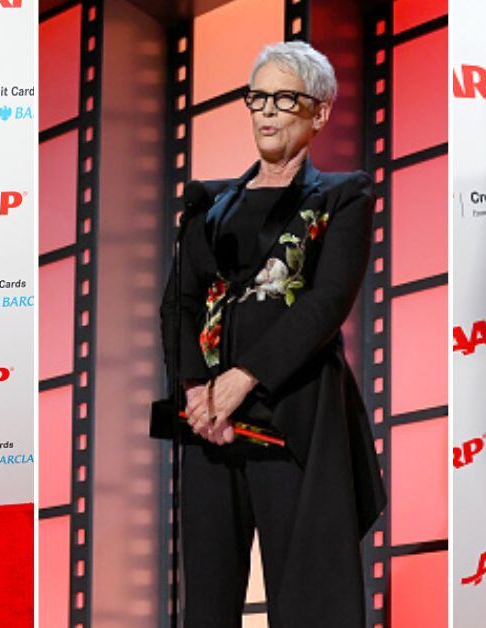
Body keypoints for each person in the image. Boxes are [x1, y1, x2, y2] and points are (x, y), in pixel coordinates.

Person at [159, 41, 386, 627]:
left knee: (309, 598)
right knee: (208, 599)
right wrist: (196, 391)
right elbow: (179, 304)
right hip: (209, 423)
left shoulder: (343, 194)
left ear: (320, 111)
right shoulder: (209, 204)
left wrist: (244, 378)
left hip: (294, 416)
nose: (265, 110)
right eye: (257, 97)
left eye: (284, 98)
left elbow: (326, 301)